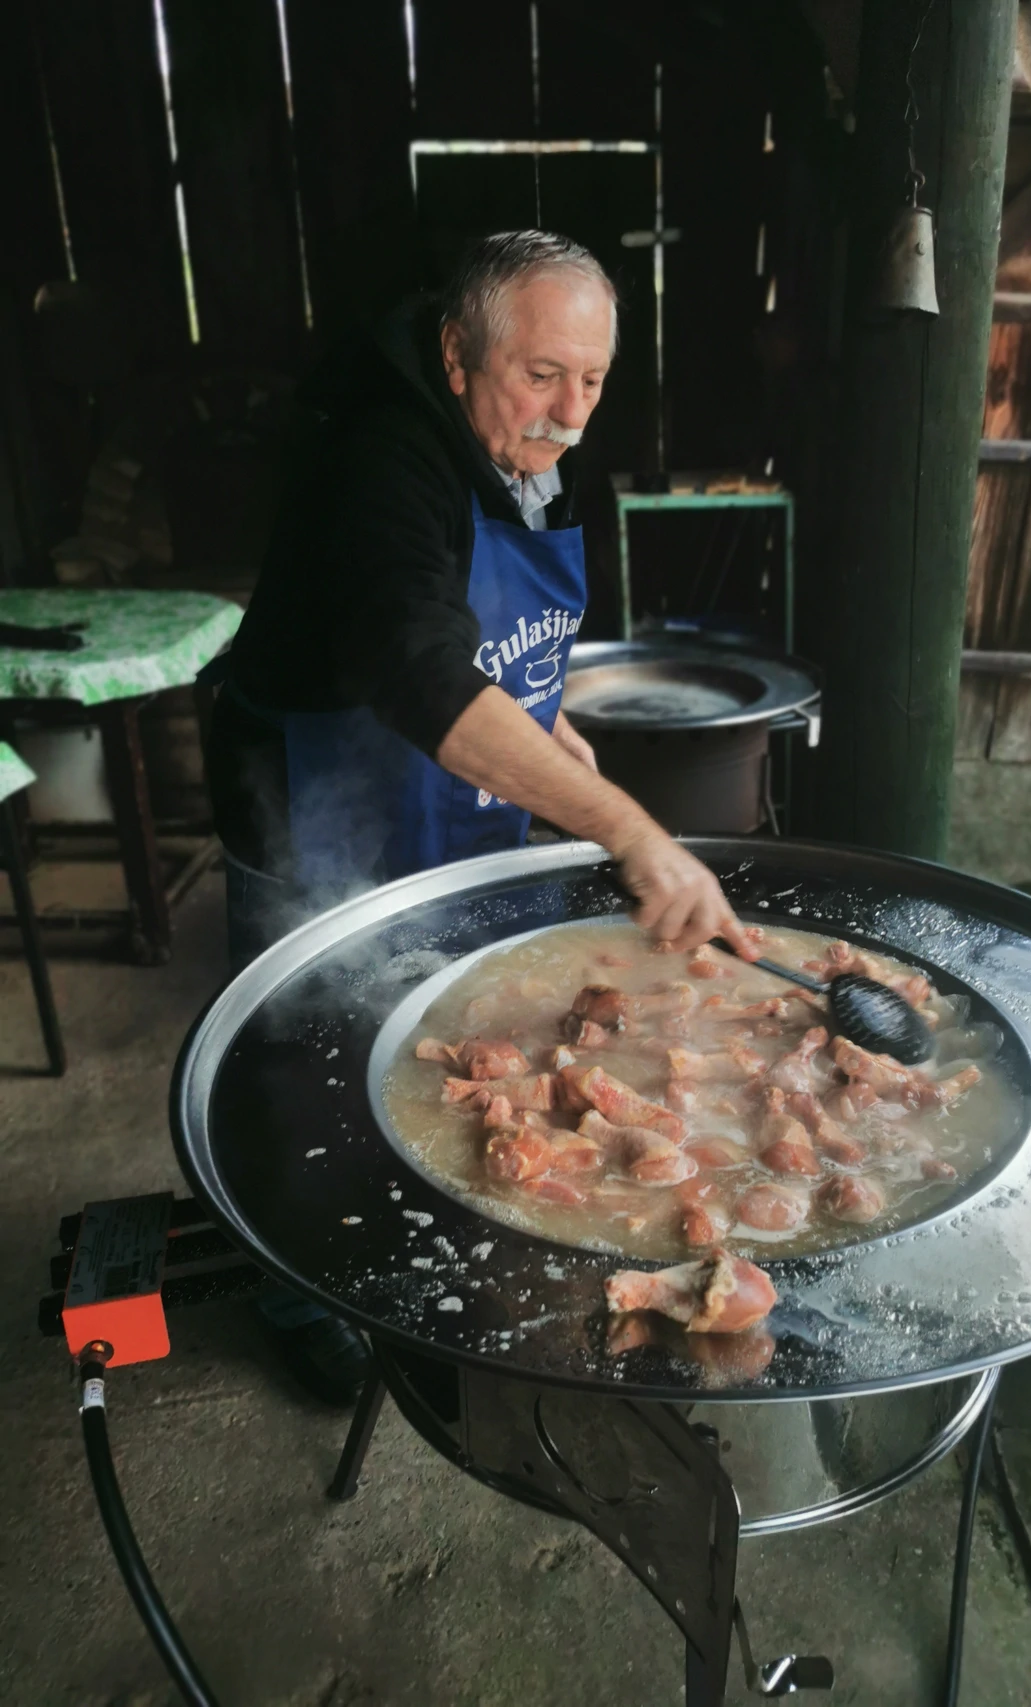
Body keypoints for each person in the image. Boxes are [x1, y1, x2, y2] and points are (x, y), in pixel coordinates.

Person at [206, 231, 754, 1403]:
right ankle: (293, 1294)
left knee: (433, 1021)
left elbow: (482, 640)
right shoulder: (382, 456)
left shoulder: (536, 454)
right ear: (458, 355)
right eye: (539, 374)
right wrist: (628, 827)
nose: (566, 411)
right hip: (312, 778)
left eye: (591, 382)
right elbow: (413, 661)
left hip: (440, 775)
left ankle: (406, 1225)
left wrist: (541, 726)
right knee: (301, 1045)